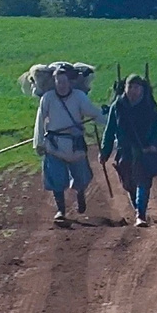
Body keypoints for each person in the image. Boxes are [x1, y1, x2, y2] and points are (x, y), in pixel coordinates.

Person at [32, 63, 101, 228]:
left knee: (81, 177)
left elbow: (93, 112)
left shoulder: (79, 97)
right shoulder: (47, 98)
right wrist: (39, 143)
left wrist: (109, 119)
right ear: (55, 82)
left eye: (64, 81)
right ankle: (61, 211)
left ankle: (80, 193)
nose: (61, 85)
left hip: (75, 144)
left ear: (69, 82)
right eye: (58, 82)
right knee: (56, 178)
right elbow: (40, 122)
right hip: (54, 146)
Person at [100, 73, 157, 227]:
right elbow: (110, 130)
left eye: (137, 87)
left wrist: (154, 145)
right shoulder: (117, 106)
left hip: (144, 151)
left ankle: (140, 214)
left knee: (143, 181)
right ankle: (138, 209)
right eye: (131, 87)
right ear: (125, 88)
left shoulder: (149, 105)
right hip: (125, 151)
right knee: (129, 184)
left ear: (142, 89)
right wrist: (105, 151)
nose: (134, 90)